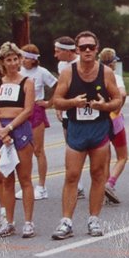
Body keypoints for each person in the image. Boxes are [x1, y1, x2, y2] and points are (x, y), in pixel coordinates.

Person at [50, 31, 124, 240]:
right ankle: (66, 221)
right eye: (83, 48)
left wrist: (104, 106)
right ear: (77, 50)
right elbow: (57, 101)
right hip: (76, 129)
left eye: (91, 47)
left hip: (99, 128)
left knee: (98, 175)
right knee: (72, 175)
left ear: (97, 49)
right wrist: (73, 103)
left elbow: (117, 100)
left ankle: (94, 219)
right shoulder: (68, 72)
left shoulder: (106, 72)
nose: (88, 50)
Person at [0, 42, 38, 237]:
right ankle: (9, 222)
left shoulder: (27, 82)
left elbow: (28, 110)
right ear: (2, 62)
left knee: (25, 178)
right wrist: (0, 129)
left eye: (16, 59)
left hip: (19, 128)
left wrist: (10, 128)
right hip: (0, 130)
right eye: (9, 60)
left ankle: (28, 222)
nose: (13, 63)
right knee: (6, 179)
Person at [17, 43, 58, 201]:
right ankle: (25, 185)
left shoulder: (41, 72)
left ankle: (41, 187)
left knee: (38, 149)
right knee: (23, 149)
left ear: (34, 60)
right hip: (20, 111)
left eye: (27, 58)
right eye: (22, 57)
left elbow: (58, 85)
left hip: (35, 110)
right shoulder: (18, 71)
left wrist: (49, 103)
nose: (23, 60)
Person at [52, 36, 85, 199]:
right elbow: (61, 88)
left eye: (58, 51)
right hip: (68, 111)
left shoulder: (81, 62)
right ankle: (77, 185)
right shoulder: (61, 65)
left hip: (85, 110)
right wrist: (59, 106)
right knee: (71, 146)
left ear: (67, 51)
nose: (55, 55)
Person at [98, 47, 129, 203]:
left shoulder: (96, 76)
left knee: (105, 157)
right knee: (122, 156)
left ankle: (105, 188)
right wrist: (117, 109)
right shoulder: (115, 77)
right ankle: (110, 183)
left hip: (100, 118)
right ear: (112, 63)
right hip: (114, 119)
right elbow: (122, 94)